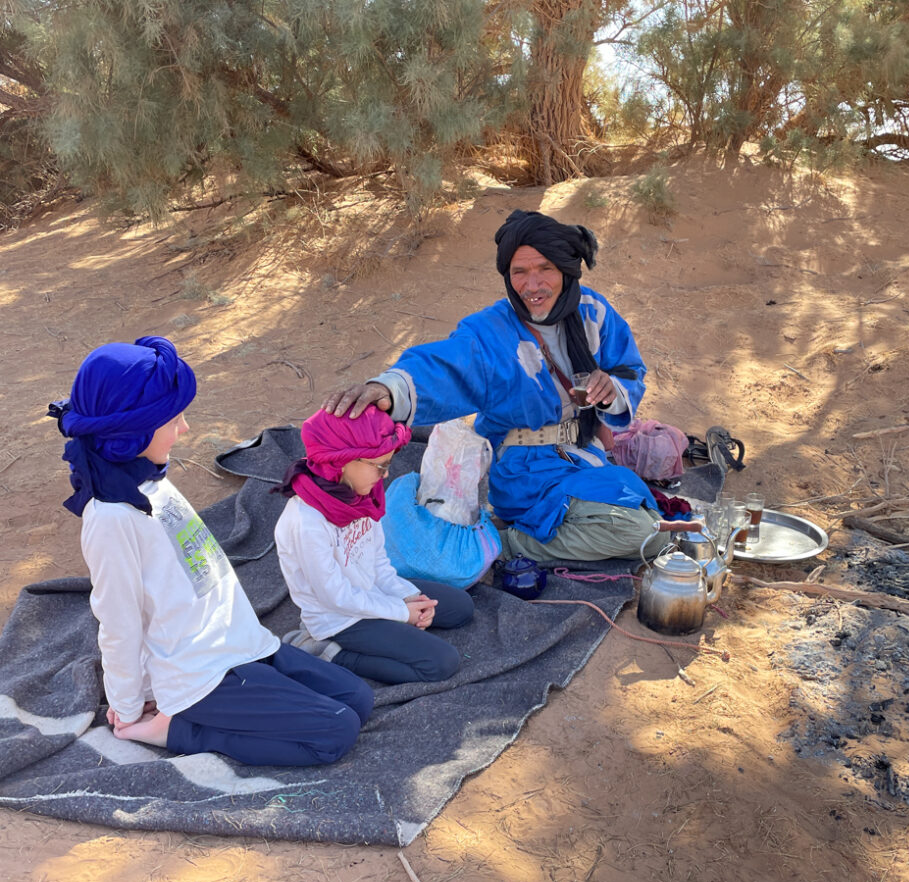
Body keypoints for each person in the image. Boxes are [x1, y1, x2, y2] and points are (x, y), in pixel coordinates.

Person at [50, 336, 372, 766]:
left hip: (240, 642)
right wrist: (129, 706)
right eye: (173, 418)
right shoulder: (110, 519)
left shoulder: (148, 477)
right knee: (336, 730)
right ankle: (177, 730)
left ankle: (215, 704)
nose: (184, 428)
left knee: (358, 698)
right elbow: (119, 621)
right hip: (200, 676)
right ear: (131, 431)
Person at [324, 209, 667, 563]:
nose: (532, 286)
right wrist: (389, 388)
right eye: (520, 273)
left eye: (545, 269)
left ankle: (547, 530)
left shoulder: (594, 312)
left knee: (650, 522)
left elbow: (629, 368)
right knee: (640, 532)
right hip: (527, 469)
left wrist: (611, 390)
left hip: (584, 455)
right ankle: (502, 546)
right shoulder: (491, 332)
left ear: (566, 270)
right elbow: (445, 365)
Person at [273, 407, 472, 684]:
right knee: (441, 664)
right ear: (340, 462)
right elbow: (337, 597)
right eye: (379, 466)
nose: (386, 474)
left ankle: (395, 619)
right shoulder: (307, 522)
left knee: (461, 607)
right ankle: (329, 652)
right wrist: (402, 613)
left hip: (371, 591)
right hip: (340, 618)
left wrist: (408, 596)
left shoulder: (363, 493)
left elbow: (378, 561)